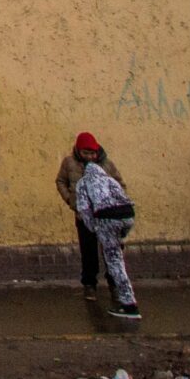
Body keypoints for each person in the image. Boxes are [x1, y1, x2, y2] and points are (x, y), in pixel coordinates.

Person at [69, 133, 140, 319]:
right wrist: (124, 231)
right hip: (122, 218)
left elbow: (84, 209)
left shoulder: (84, 183)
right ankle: (128, 300)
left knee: (114, 262)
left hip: (104, 222)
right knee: (117, 261)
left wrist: (95, 227)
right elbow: (125, 202)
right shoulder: (109, 181)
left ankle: (128, 304)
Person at [55, 132, 123, 298]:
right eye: (86, 153)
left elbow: (118, 184)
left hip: (107, 215)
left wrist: (116, 203)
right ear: (78, 151)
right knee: (88, 251)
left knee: (112, 250)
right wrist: (71, 200)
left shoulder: (106, 164)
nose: (90, 157)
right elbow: (61, 181)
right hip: (83, 215)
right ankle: (89, 284)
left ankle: (115, 283)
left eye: (92, 153)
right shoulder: (69, 163)